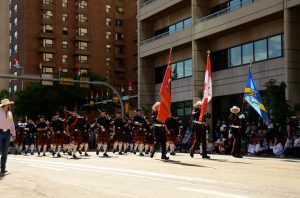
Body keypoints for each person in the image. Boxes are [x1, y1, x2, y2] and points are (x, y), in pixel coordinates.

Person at [0, 99, 16, 174]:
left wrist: (13, 133)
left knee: (5, 152)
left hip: (8, 133)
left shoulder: (10, 113)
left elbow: (12, 123)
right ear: (5, 105)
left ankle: (3, 168)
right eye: (8, 104)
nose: (9, 105)